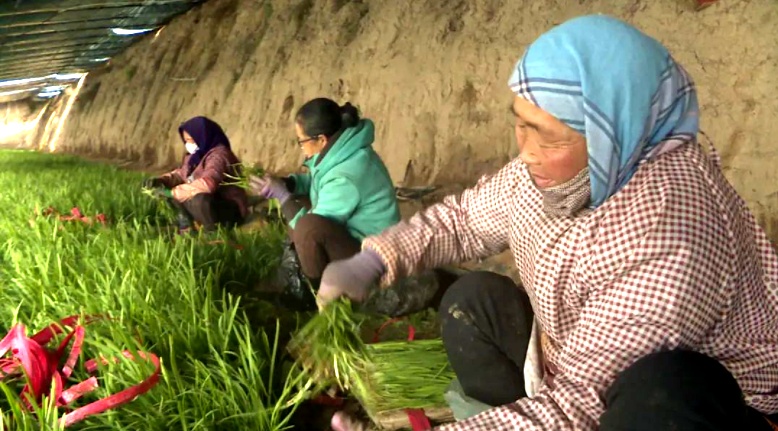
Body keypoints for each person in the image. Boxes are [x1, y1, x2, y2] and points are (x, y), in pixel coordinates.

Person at [318, 15, 778, 431]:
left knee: (661, 394)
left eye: (550, 138)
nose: (527, 153)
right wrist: (377, 258)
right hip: (572, 359)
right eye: (522, 125)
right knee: (472, 302)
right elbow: (462, 222)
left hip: (704, 408)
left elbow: (577, 405)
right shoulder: (555, 169)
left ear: (612, 133)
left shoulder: (670, 229)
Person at [250, 98, 400, 309]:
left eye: (301, 141)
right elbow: (318, 183)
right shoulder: (342, 152)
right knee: (300, 207)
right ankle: (306, 272)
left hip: (375, 257)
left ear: (321, 139)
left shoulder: (347, 174)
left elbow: (314, 222)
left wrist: (283, 197)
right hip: (356, 239)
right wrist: (289, 183)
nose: (301, 147)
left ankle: (317, 294)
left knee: (308, 229)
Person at [145, 116, 248, 232]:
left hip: (228, 207)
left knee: (200, 199)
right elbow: (181, 174)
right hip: (212, 203)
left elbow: (208, 184)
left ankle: (211, 231)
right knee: (170, 191)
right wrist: (161, 180)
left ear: (203, 136)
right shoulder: (194, 156)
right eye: (186, 141)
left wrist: (172, 192)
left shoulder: (219, 155)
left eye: (191, 140)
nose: (188, 144)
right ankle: (187, 225)